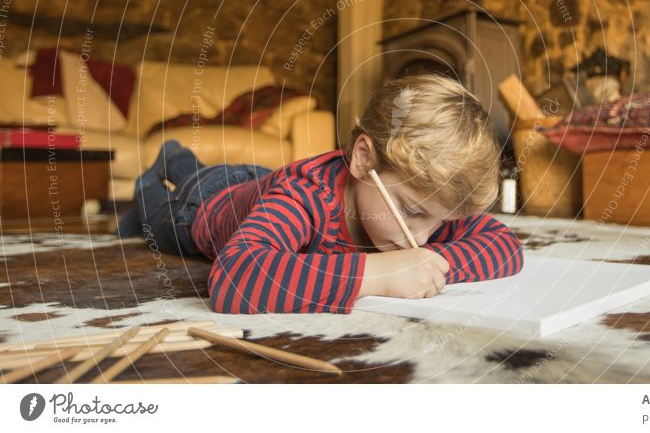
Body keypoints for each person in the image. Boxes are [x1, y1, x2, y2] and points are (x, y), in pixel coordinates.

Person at [117, 73, 524, 314]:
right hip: (205, 205)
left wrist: (430, 264)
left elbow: (506, 246)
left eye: (439, 223)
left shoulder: (423, 208)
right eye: (412, 212)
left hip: (260, 182)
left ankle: (179, 159)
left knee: (222, 175)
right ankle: (154, 177)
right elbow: (235, 278)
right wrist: (379, 273)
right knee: (158, 215)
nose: (421, 237)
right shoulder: (304, 199)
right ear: (364, 159)